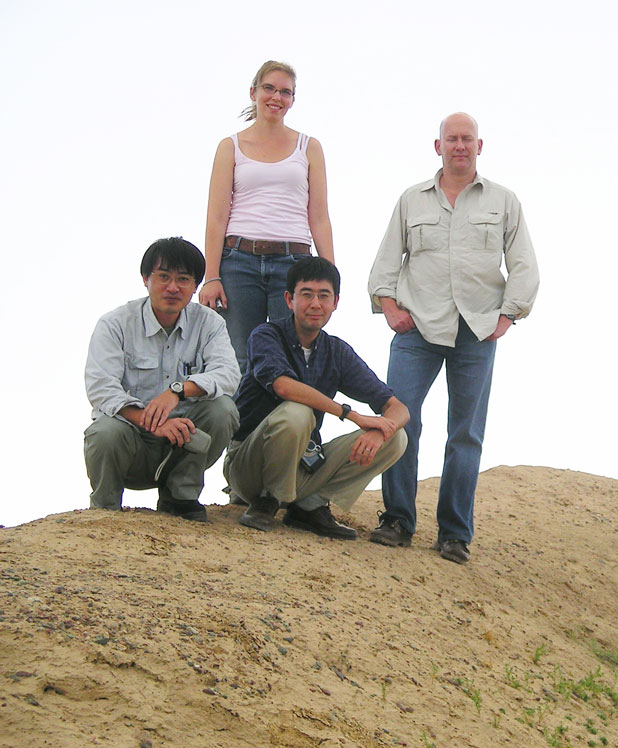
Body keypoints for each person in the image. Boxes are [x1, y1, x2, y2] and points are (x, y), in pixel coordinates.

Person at [367, 113, 539, 564]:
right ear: (437, 145)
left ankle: (454, 533)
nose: (459, 145)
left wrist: (509, 316)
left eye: (467, 139)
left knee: (465, 433)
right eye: (451, 139)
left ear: (479, 147)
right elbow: (386, 259)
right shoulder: (412, 200)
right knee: (400, 418)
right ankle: (398, 520)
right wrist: (389, 307)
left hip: (477, 330)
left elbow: (523, 263)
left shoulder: (503, 201)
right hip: (417, 326)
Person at [225, 257, 409, 539]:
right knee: (298, 412)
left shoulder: (336, 351)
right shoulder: (266, 335)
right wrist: (351, 414)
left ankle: (308, 507)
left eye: (324, 296)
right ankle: (268, 499)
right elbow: (284, 387)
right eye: (306, 294)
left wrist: (379, 433)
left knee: (396, 437)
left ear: (335, 302)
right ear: (289, 299)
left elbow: (397, 408)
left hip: (302, 465)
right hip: (248, 465)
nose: (315, 304)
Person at [84, 238, 241, 521]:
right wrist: (151, 421)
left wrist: (177, 391)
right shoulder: (114, 324)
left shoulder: (210, 323)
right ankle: (105, 509)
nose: (173, 287)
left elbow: (228, 375)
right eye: (163, 276)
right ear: (145, 279)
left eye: (183, 279)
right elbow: (101, 388)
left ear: (195, 286)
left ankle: (180, 498)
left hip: (184, 440)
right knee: (103, 431)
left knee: (223, 409)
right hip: (131, 441)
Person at [200, 60, 335, 372]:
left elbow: (319, 215)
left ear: (292, 100)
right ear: (253, 92)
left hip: (293, 261)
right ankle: (242, 422)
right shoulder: (230, 146)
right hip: (239, 261)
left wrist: (328, 273)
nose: (276, 97)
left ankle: (293, 422)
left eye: (285, 92)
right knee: (239, 357)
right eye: (269, 88)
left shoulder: (308, 147)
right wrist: (212, 276)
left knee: (292, 356)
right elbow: (217, 216)